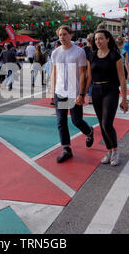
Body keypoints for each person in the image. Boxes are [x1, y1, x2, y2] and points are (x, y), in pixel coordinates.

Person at [51, 25, 94, 163]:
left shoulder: (79, 52)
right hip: (60, 92)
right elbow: (55, 73)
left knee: (76, 120)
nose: (62, 37)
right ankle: (66, 149)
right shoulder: (55, 53)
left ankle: (89, 132)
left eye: (64, 34)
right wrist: (52, 92)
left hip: (73, 92)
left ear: (70, 35)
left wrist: (81, 94)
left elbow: (83, 75)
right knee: (61, 121)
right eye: (60, 35)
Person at [87, 29, 129, 166]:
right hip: (96, 91)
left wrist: (124, 99)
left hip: (110, 90)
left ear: (108, 39)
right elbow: (89, 78)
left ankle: (115, 150)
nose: (98, 41)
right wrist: (83, 94)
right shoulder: (92, 56)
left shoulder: (114, 55)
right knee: (101, 123)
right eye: (96, 39)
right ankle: (109, 150)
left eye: (101, 38)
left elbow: (122, 79)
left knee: (106, 123)